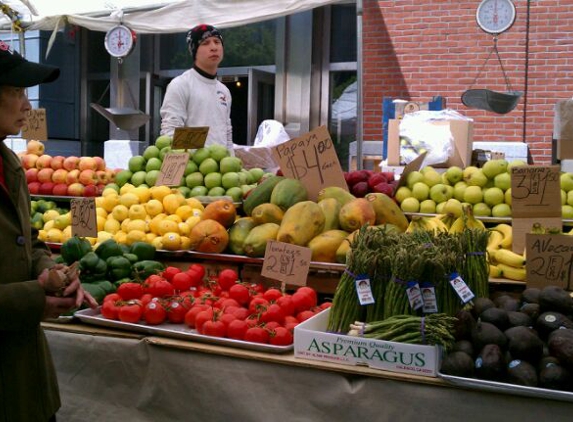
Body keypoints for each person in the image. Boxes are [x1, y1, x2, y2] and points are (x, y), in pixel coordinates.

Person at [0, 40, 98, 421]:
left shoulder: (9, 163)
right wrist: (34, 297)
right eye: (14, 91)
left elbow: (30, 237)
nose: (27, 105)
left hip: (27, 384)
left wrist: (47, 270)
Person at [160, 24, 233, 152]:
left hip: (223, 168)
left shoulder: (224, 91)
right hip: (191, 167)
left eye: (217, 42)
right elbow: (169, 133)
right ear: (194, 51)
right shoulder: (180, 85)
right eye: (205, 43)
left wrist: (231, 160)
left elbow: (227, 134)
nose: (213, 47)